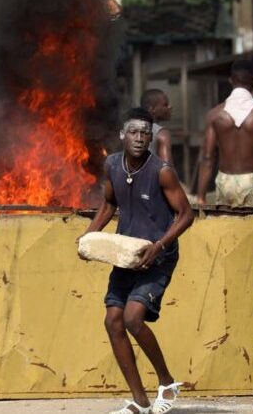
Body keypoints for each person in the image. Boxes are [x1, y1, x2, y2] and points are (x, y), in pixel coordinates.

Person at [79, 108, 194, 414]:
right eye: (134, 132)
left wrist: (160, 245)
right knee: (112, 321)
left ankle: (167, 381)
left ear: (151, 136)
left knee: (132, 318)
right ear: (122, 135)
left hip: (157, 256)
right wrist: (88, 237)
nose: (140, 138)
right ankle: (139, 401)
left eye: (145, 132)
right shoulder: (113, 164)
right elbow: (108, 203)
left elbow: (186, 214)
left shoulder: (162, 171)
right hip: (125, 253)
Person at [197, 60, 253, 214]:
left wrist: (201, 196)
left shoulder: (215, 114)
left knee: (229, 233)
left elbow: (208, 158)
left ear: (231, 80)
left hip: (225, 181)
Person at [140, 89, 173, 165]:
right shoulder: (161, 133)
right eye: (165, 104)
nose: (170, 107)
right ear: (152, 109)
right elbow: (167, 168)